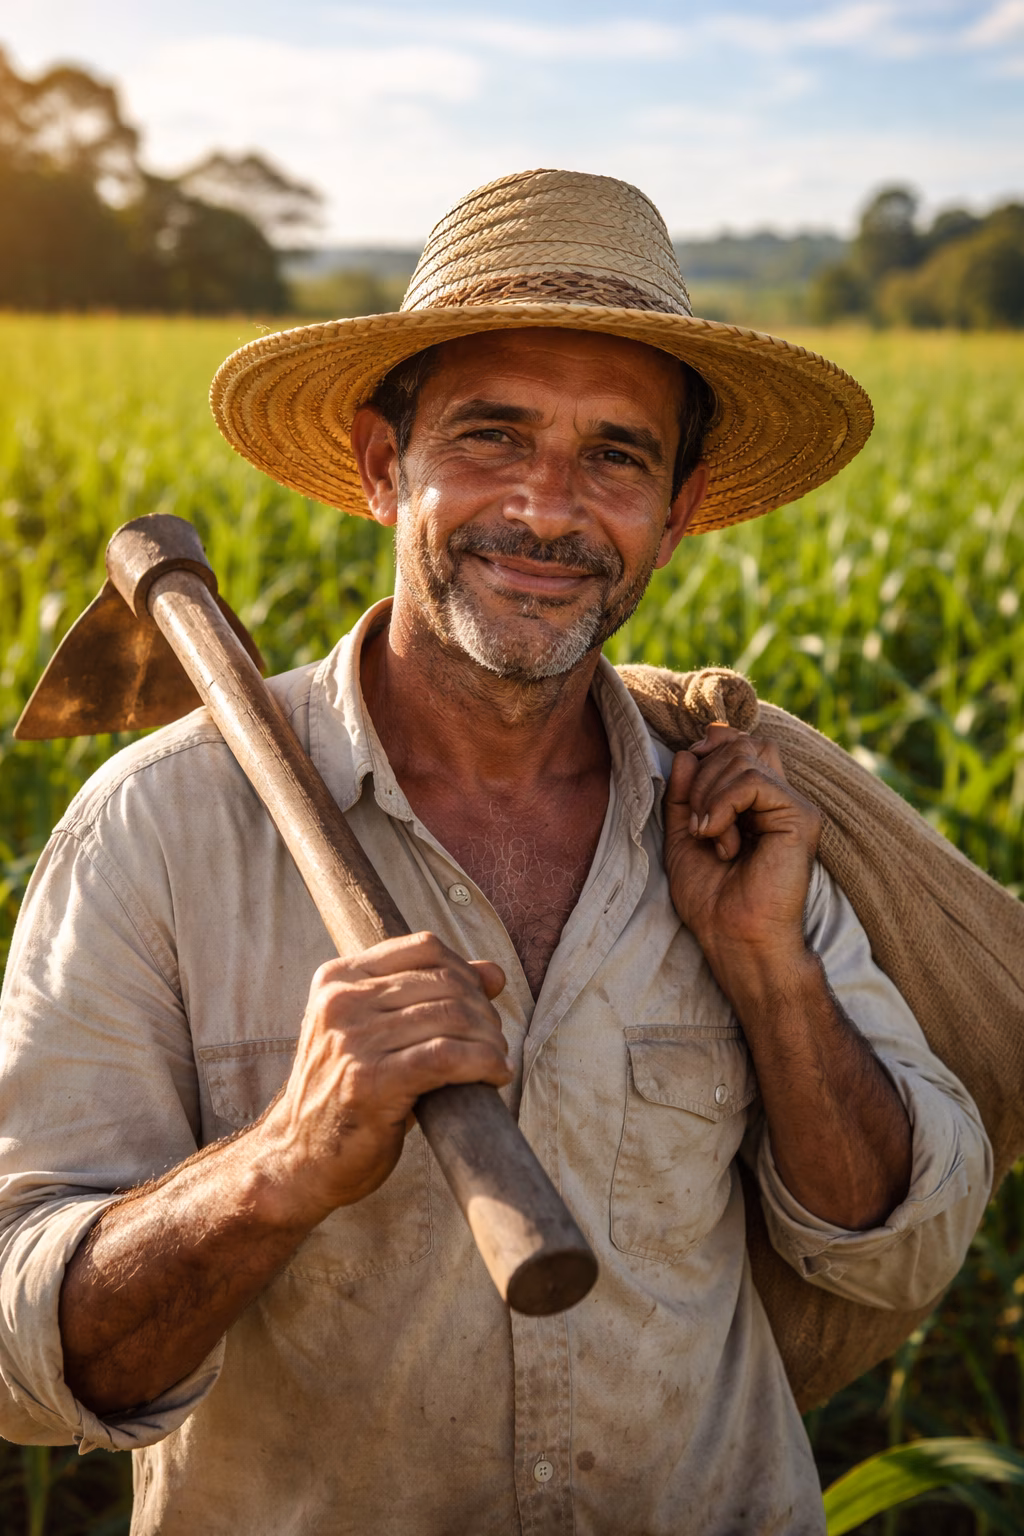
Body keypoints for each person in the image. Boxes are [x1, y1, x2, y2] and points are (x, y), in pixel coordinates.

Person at [0, 169, 990, 1536]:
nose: (547, 507)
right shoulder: (160, 830)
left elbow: (906, 1248)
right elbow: (19, 1359)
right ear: (378, 466)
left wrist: (773, 975)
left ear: (682, 505)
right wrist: (279, 1166)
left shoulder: (739, 820)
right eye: (491, 435)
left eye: (617, 455)